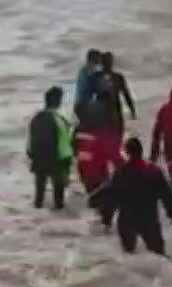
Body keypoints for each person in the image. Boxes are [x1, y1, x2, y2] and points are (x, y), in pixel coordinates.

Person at [104, 138, 172, 256]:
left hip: (127, 219)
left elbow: (112, 197)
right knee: (159, 256)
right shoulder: (154, 170)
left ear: (127, 152)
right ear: (141, 151)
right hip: (149, 219)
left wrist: (107, 218)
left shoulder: (121, 172)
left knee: (129, 256)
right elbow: (167, 194)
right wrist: (171, 212)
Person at [75, 75, 126, 225]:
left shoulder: (81, 131)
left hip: (84, 169)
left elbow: (75, 147)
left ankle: (95, 227)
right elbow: (117, 160)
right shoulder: (103, 135)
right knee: (109, 203)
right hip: (96, 172)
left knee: (96, 198)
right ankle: (103, 228)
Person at [28, 86, 74, 210]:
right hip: (56, 161)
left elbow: (30, 144)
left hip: (39, 160)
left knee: (39, 197)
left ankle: (35, 220)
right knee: (59, 200)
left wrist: (33, 156)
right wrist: (68, 161)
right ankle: (56, 223)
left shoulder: (36, 118)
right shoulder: (59, 121)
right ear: (57, 101)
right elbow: (65, 145)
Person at [100, 52, 137, 143]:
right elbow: (126, 95)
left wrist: (132, 109)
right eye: (108, 61)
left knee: (109, 140)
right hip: (112, 112)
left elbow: (126, 94)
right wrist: (132, 110)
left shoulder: (97, 77)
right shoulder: (117, 77)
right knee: (115, 140)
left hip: (106, 113)